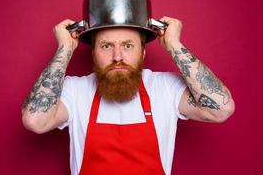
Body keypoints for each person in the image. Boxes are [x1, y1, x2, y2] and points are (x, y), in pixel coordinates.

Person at [22, 16, 235, 175]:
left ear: (142, 52)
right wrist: (65, 48)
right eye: (106, 46)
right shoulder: (75, 91)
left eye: (127, 45)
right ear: (94, 53)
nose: (118, 57)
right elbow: (35, 121)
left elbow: (221, 109)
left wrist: (173, 44)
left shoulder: (165, 87)